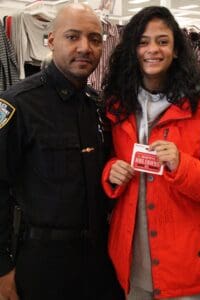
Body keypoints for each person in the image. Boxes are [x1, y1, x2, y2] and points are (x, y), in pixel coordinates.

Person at [101, 6, 200, 300]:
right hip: (132, 253)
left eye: (162, 41)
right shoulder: (116, 106)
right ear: (132, 49)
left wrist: (181, 165)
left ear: (176, 51)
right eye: (143, 41)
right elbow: (108, 159)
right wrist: (111, 171)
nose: (152, 50)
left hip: (186, 257)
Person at [0, 3, 123, 300]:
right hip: (41, 264)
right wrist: (3, 270)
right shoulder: (18, 104)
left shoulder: (99, 106)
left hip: (98, 262)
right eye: (72, 37)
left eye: (94, 39)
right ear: (51, 40)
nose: (85, 47)